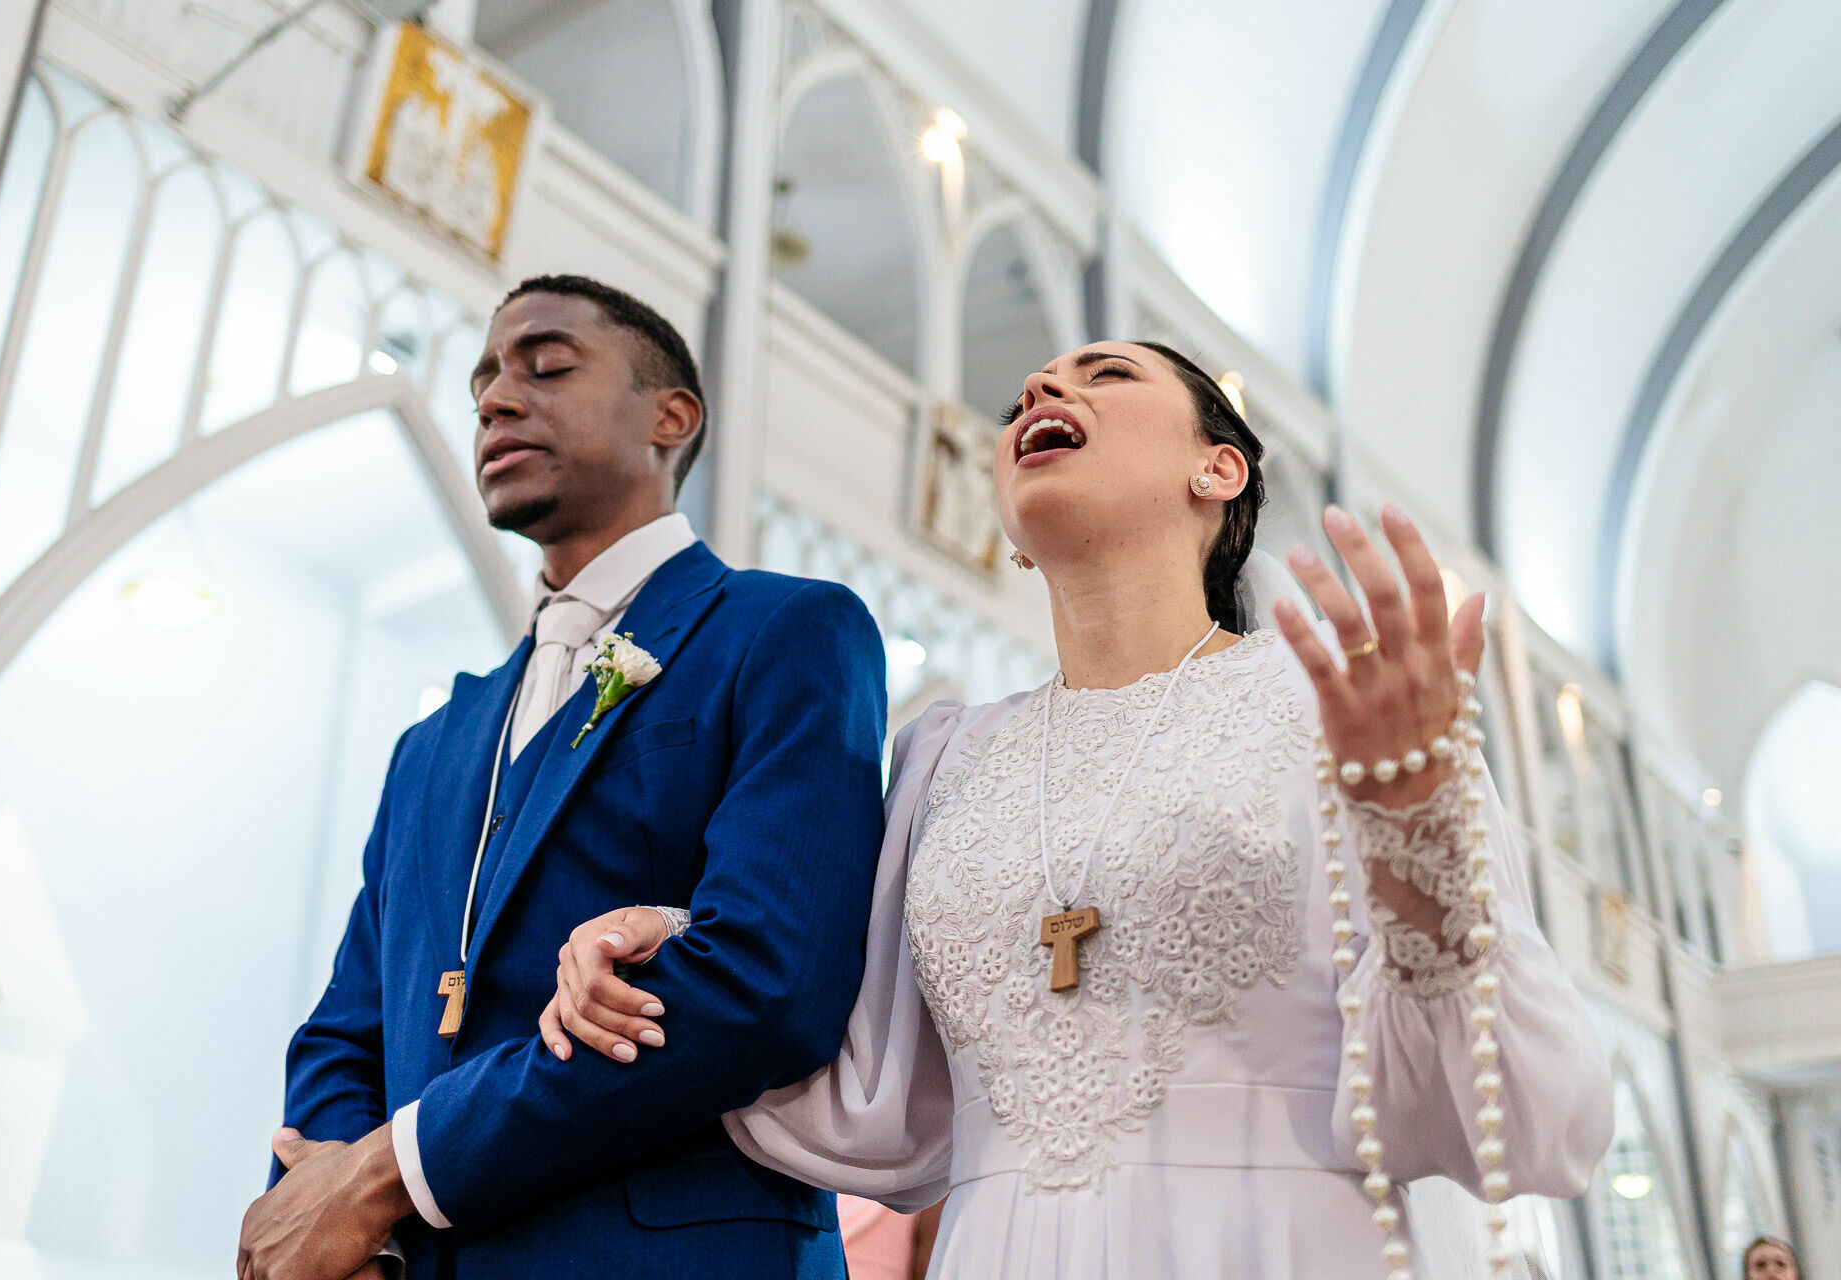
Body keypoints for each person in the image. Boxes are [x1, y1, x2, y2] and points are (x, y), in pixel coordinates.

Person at [539, 340, 1615, 1277]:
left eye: (1108, 374)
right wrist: (679, 948)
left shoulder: (1345, 708)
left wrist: (1412, 819)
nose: (1044, 384)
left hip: (1273, 1235)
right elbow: (869, 1083)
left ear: (1219, 468)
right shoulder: (947, 757)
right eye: (1028, 392)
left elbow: (1501, 1112)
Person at [235, 275, 889, 1280]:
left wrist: (391, 1170)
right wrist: (343, 1218)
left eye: (545, 367)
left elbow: (766, 980)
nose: (497, 397)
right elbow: (349, 1021)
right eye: (485, 381)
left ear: (673, 416)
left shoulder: (787, 630)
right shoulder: (436, 740)